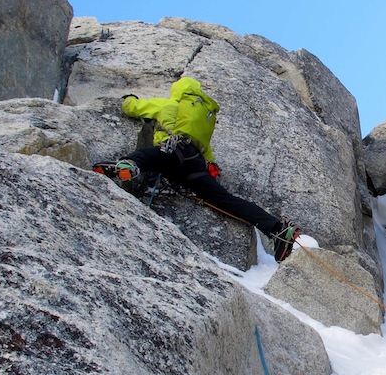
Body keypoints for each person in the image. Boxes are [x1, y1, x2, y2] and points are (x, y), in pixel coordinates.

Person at [101, 76, 299, 262]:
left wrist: (129, 99)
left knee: (148, 156)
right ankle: (277, 229)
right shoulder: (204, 116)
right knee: (225, 200)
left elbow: (133, 108)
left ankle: (128, 165)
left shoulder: (169, 104)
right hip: (194, 163)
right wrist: (210, 171)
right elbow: (207, 153)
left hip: (170, 151)